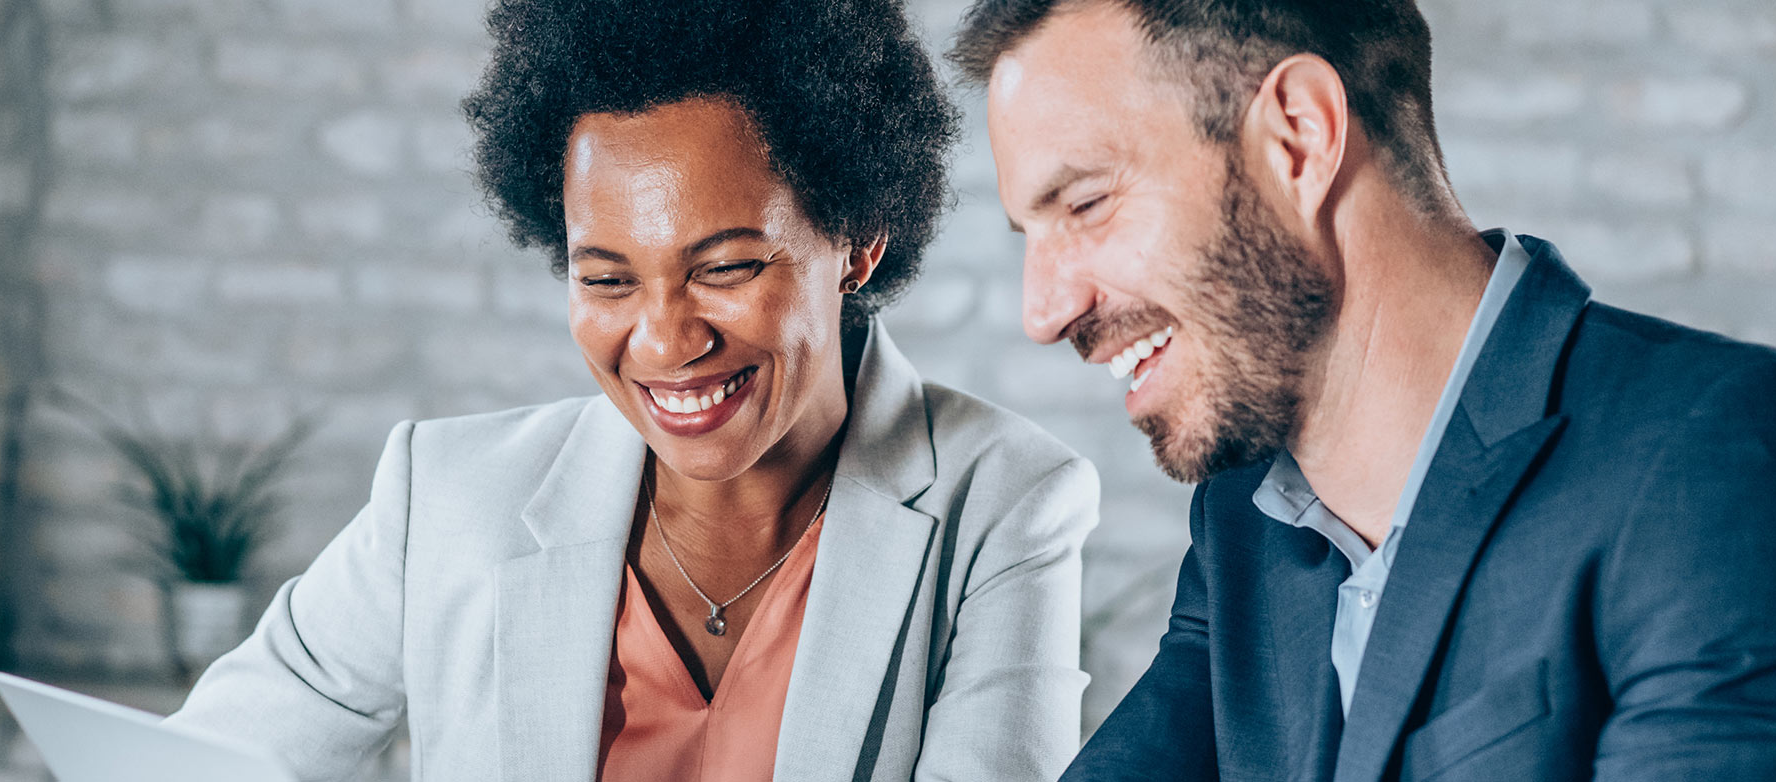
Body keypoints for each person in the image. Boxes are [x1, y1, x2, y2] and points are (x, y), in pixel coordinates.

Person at [949, 1, 1776, 780]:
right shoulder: (1246, 526)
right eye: (1027, 236)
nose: (1045, 309)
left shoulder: (1751, 471)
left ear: (1297, 138)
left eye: (1084, 202)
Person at [164, 1, 1100, 779]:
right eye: (608, 280)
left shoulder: (1005, 506)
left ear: (856, 242)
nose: (663, 340)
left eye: (725, 268)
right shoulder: (442, 499)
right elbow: (206, 762)